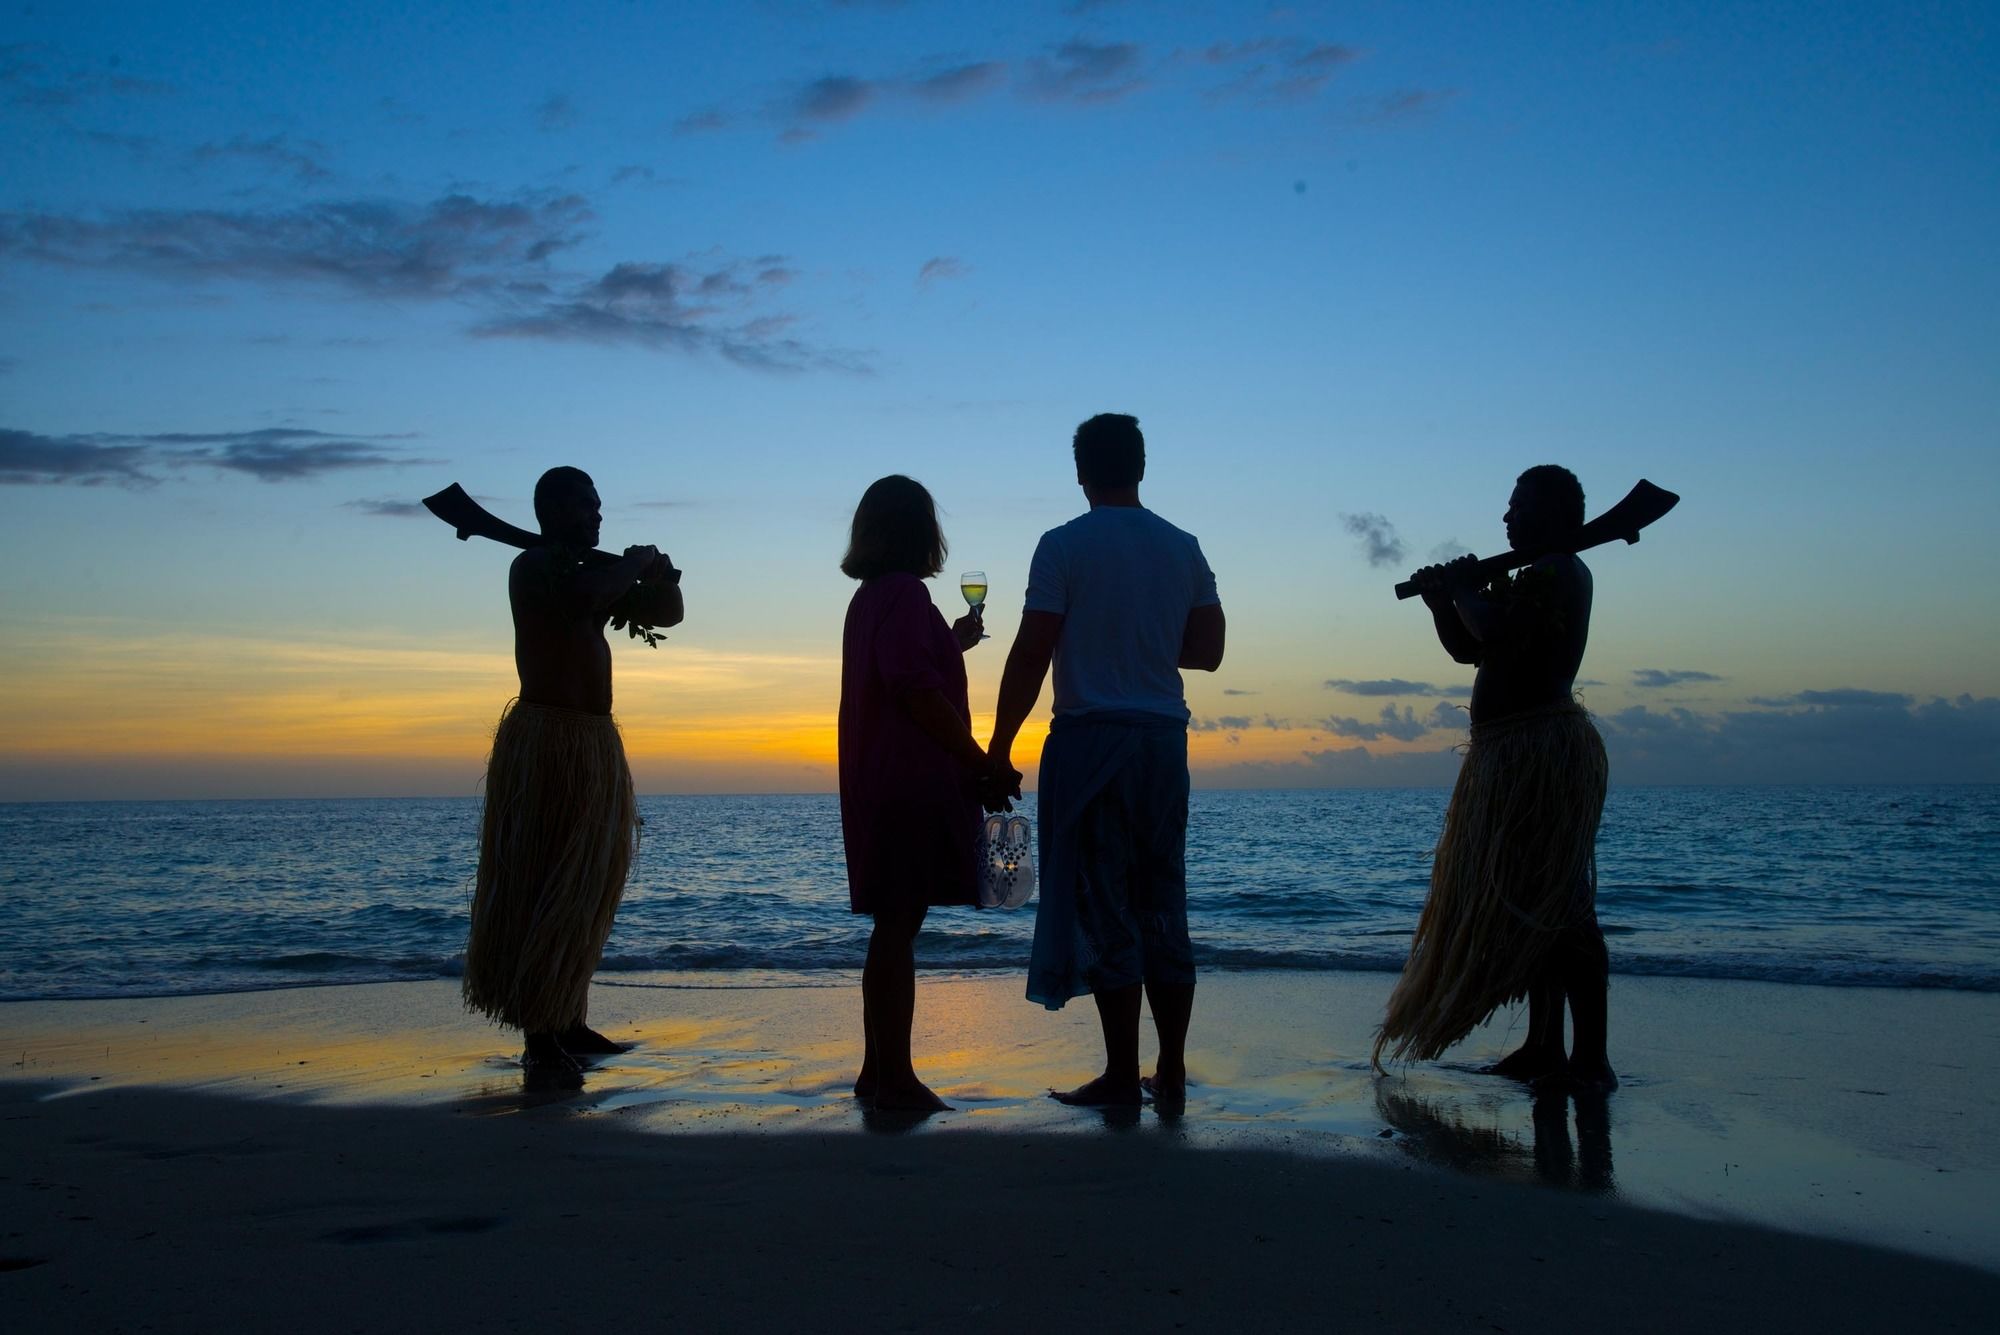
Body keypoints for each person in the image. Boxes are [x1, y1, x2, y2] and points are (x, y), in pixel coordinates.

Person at [986, 414, 1225, 1108]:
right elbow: (1207, 649)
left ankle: (1124, 1074)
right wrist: (1142, 636)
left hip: (1091, 740)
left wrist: (999, 746)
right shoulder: (1182, 546)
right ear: (1142, 467)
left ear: (1081, 472)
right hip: (1161, 742)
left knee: (1107, 905)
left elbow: (1032, 653)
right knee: (1162, 901)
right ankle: (1171, 1069)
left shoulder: (1063, 545)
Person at [1374, 464, 1614, 1091]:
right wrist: (1441, 600)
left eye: (1520, 506)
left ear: (1558, 516)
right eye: (1508, 506)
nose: (1507, 518)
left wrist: (1461, 588)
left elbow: (1496, 627)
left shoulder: (1561, 572)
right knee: (1530, 900)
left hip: (1540, 751)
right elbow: (1471, 648)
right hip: (1506, 757)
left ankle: (1591, 1059)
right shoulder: (1532, 573)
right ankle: (1543, 1046)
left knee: (1563, 903)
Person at [461, 466, 683, 1087]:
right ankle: (540, 1033)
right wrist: (632, 564)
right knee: (544, 876)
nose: (597, 515)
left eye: (599, 504)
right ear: (551, 510)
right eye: (585, 505)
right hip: (547, 741)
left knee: (587, 884)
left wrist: (659, 573)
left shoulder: (594, 573)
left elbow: (670, 614)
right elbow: (585, 599)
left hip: (593, 743)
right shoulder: (535, 570)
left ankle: (570, 1016)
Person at [837, 475, 998, 1113]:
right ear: (921, 530)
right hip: (909, 778)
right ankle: (893, 1076)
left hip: (880, 777)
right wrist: (979, 760)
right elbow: (915, 689)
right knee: (899, 924)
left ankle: (878, 1070)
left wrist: (951, 641)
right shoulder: (905, 593)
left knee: (894, 923)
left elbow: (909, 666)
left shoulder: (875, 597)